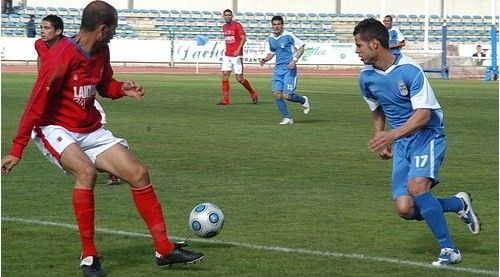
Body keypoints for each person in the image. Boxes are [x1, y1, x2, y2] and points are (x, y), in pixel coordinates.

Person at [1, 1, 204, 276]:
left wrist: (122, 88)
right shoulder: (62, 56)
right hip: (54, 127)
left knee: (139, 174)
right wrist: (17, 148)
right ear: (102, 28)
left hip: (89, 129)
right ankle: (89, 256)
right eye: (114, 29)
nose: (114, 34)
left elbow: (104, 84)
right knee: (86, 172)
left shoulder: (102, 49)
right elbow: (37, 101)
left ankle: (164, 249)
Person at [353, 18, 481, 266]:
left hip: (427, 135)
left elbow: (424, 115)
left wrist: (391, 134)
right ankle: (458, 203)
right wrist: (381, 137)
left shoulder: (410, 70)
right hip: (401, 141)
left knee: (417, 188)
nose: (356, 50)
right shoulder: (366, 77)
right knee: (405, 208)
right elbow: (376, 109)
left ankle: (449, 249)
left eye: (359, 45)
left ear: (375, 44)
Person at [34, 14, 122, 186]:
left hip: (79, 96)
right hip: (60, 99)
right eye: (42, 27)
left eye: (47, 28)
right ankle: (103, 165)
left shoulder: (69, 48)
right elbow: (44, 67)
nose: (42, 31)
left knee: (92, 137)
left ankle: (112, 167)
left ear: (58, 31)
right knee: (82, 159)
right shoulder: (39, 44)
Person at [259, 15, 310, 125]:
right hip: (278, 70)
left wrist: (294, 60)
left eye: (278, 24)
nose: (276, 26)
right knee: (277, 94)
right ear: (272, 26)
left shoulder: (289, 36)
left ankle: (303, 100)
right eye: (274, 24)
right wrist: (265, 59)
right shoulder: (271, 38)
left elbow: (301, 47)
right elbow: (271, 53)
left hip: (289, 69)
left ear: (282, 25)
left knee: (287, 95)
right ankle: (287, 118)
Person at [218, 9, 259, 105]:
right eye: (226, 15)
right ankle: (225, 100)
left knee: (239, 78)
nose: (227, 17)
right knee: (225, 75)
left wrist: (238, 50)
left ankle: (252, 92)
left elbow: (244, 38)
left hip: (237, 55)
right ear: (224, 17)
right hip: (227, 55)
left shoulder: (237, 25)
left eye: (229, 15)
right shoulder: (224, 27)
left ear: (232, 16)